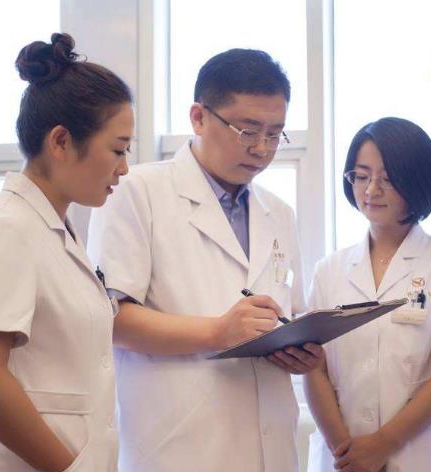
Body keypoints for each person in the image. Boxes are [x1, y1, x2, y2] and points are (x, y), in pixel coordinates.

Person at [87, 48, 324, 472]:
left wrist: (299, 349)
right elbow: (110, 319)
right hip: (179, 448)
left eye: (275, 134)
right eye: (248, 131)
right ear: (198, 117)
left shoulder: (279, 213)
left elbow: (289, 313)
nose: (262, 149)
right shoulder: (135, 191)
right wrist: (217, 332)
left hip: (271, 447)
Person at [0, 33, 133, 471]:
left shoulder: (53, 231)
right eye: (117, 149)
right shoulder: (5, 227)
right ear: (61, 141)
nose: (124, 168)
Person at [304, 117, 431, 472]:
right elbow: (314, 369)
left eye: (386, 178)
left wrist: (383, 446)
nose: (371, 190)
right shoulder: (329, 270)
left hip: (421, 457)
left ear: (416, 179)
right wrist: (345, 451)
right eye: (361, 176)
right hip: (342, 457)